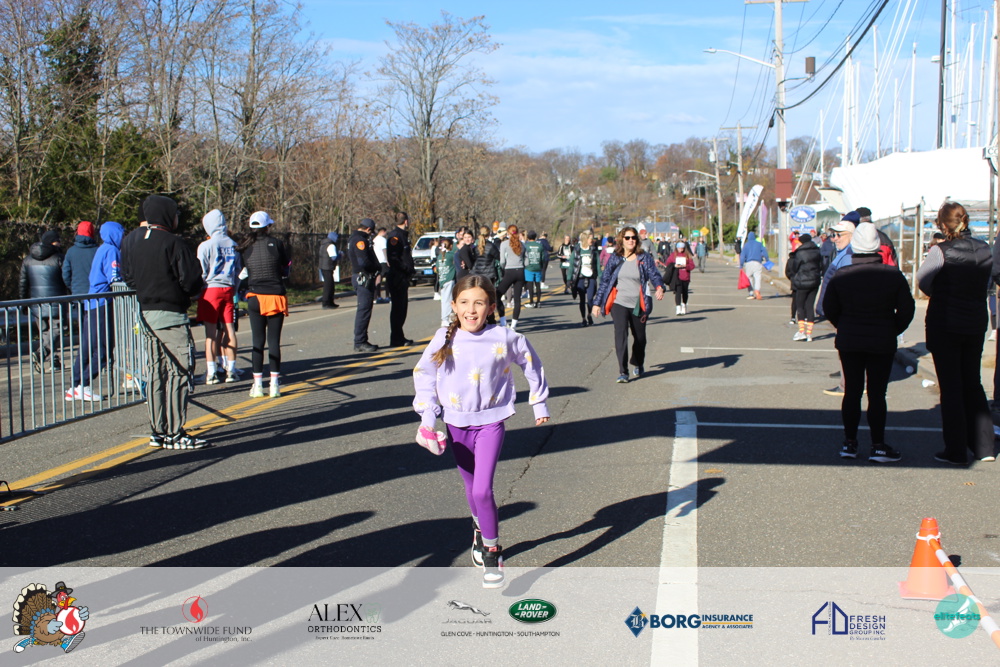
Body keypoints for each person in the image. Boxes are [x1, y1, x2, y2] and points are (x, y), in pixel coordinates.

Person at [412, 274, 550, 588]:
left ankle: (492, 551)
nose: (471, 310)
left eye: (479, 303)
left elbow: (532, 364)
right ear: (453, 305)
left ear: (491, 307)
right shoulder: (444, 338)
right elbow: (424, 375)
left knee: (482, 490)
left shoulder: (505, 337)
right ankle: (479, 528)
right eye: (464, 302)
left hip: (491, 421)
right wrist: (428, 417)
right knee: (470, 485)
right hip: (455, 422)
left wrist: (539, 402)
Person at [121, 194, 208, 450]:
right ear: (167, 215)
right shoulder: (173, 242)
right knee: (179, 371)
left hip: (146, 313)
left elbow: (128, 277)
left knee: (156, 372)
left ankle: (158, 430)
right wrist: (185, 292)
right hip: (171, 314)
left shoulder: (132, 241)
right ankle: (175, 432)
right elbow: (191, 280)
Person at [823, 222, 915, 463]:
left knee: (852, 392)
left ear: (855, 246)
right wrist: (893, 328)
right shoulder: (893, 275)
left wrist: (843, 325)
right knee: (877, 393)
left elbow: (829, 308)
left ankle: (850, 443)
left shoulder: (842, 275)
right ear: (877, 247)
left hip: (850, 339)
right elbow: (907, 309)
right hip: (882, 339)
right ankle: (878, 445)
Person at [918, 201, 995, 465]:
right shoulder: (984, 249)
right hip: (975, 319)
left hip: (946, 321)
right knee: (973, 382)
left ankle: (956, 449)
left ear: (942, 224)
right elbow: (986, 282)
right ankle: (984, 446)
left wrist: (941, 291)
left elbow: (923, 280)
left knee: (951, 387)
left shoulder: (940, 251)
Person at [592, 226, 666, 383]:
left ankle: (638, 362)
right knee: (621, 335)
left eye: (633, 237)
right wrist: (597, 303)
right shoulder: (615, 258)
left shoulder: (643, 257)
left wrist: (660, 286)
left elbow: (654, 274)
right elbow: (605, 281)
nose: (630, 240)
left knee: (640, 338)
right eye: (627, 238)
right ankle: (623, 371)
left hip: (638, 303)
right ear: (622, 240)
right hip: (619, 302)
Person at [66, 221, 124, 402]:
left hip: (91, 302)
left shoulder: (101, 248)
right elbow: (114, 278)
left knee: (87, 346)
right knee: (104, 349)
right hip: (102, 302)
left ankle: (75, 385)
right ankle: (82, 385)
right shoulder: (111, 250)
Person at [238, 211, 290, 398]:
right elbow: (286, 267)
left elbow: (244, 269)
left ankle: (258, 385)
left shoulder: (245, 246)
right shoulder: (277, 243)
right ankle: (274, 384)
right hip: (275, 295)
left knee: (257, 342)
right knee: (274, 342)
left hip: (255, 296)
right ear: (267, 226)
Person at [197, 210, 242, 385]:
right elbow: (238, 271)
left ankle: (211, 372)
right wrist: (235, 287)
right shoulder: (233, 244)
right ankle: (231, 370)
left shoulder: (205, 245)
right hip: (228, 288)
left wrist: (199, 289)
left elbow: (202, 271)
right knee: (229, 329)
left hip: (211, 289)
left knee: (210, 333)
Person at [19, 229, 67, 373]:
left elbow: (23, 283)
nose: (60, 243)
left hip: (37, 303)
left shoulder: (28, 260)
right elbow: (67, 279)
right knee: (57, 330)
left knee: (45, 332)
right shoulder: (59, 258)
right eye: (57, 241)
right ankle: (42, 353)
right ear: (52, 242)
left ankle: (54, 359)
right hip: (57, 301)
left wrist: (23, 302)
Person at [348, 218, 379, 353]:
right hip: (363, 277)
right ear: (368, 229)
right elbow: (363, 262)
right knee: (364, 309)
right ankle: (360, 341)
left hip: (362, 277)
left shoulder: (354, 238)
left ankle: (362, 339)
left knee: (365, 309)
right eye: (371, 232)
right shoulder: (360, 240)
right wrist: (375, 267)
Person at [785, 233, 823, 342]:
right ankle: (809, 334)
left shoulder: (800, 253)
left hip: (802, 282)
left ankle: (801, 331)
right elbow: (821, 266)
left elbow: (795, 267)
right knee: (810, 306)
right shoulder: (817, 251)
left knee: (800, 306)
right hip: (815, 281)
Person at [385, 211, 415, 346]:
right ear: (406, 221)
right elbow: (394, 258)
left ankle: (399, 336)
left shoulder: (402, 235)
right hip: (397, 276)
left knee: (402, 308)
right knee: (398, 309)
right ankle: (396, 338)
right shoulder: (395, 236)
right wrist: (405, 268)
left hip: (403, 276)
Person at [496, 224, 527, 330]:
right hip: (520, 271)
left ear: (508, 233)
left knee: (497, 294)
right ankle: (514, 325)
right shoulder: (522, 244)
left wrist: (504, 268)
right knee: (517, 299)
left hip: (509, 271)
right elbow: (527, 262)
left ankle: (503, 321)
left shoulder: (504, 244)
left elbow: (502, 261)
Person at [569, 230, 600, 327]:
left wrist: (602, 278)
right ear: (586, 239)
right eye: (591, 238)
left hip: (591, 278)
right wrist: (569, 279)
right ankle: (583, 319)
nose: (592, 240)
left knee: (590, 299)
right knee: (582, 299)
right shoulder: (577, 250)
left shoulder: (593, 250)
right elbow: (571, 265)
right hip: (580, 278)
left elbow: (598, 265)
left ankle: (589, 315)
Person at [62, 221, 99, 297]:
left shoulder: (71, 251)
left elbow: (66, 274)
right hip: (95, 294)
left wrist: (72, 287)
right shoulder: (98, 251)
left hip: (77, 294)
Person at [665, 240, 695, 315]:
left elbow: (692, 266)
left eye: (682, 248)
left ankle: (684, 305)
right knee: (678, 292)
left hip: (685, 277)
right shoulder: (673, 255)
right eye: (679, 248)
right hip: (677, 276)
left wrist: (686, 266)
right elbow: (668, 263)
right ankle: (678, 307)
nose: (681, 250)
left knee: (685, 292)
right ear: (677, 248)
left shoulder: (687, 255)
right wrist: (674, 265)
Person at [738, 231, 768, 300]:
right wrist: (767, 260)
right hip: (758, 263)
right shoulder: (759, 244)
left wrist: (741, 265)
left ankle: (751, 293)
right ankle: (757, 290)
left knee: (749, 278)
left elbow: (742, 256)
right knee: (757, 277)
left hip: (749, 263)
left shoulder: (746, 245)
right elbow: (765, 252)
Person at [436, 237, 456, 327]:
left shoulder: (440, 256)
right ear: (450, 246)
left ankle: (446, 317)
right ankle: (445, 318)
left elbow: (437, 268)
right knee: (448, 300)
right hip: (449, 279)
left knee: (444, 300)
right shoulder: (451, 255)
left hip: (442, 279)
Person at [318, 231, 340, 309]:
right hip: (328, 267)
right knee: (329, 286)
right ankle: (326, 302)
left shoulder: (324, 244)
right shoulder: (331, 245)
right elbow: (333, 257)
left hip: (323, 266)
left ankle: (330, 302)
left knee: (330, 284)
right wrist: (340, 255)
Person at [523, 230, 544, 309]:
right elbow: (542, 257)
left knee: (530, 285)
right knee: (538, 285)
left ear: (528, 237)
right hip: (538, 267)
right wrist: (541, 266)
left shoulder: (526, 246)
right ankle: (538, 301)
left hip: (529, 267)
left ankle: (531, 301)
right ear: (535, 237)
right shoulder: (540, 246)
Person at [373, 227, 389, 304]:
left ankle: (377, 296)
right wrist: (387, 260)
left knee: (378, 278)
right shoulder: (382, 240)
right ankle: (387, 296)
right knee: (388, 278)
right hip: (383, 261)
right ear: (382, 231)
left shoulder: (374, 240)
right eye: (385, 232)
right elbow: (384, 250)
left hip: (376, 261)